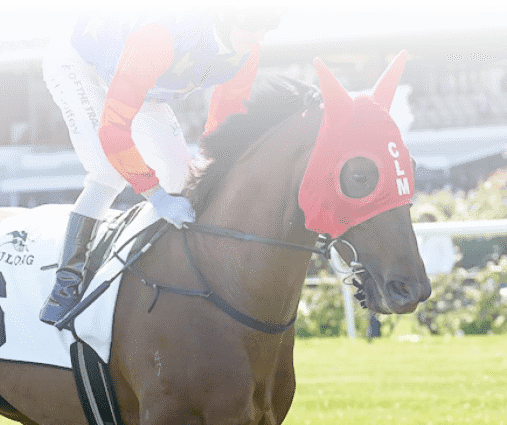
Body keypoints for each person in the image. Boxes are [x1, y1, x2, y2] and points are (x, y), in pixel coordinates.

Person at [39, 5, 290, 326]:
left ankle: (169, 277)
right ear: (223, 19)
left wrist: (213, 172)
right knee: (108, 172)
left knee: (183, 179)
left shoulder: (247, 53)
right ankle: (64, 288)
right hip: (79, 61)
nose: (256, 37)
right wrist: (155, 196)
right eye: (249, 27)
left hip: (142, 78)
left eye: (266, 27)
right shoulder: (161, 38)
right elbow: (114, 130)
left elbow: (225, 123)